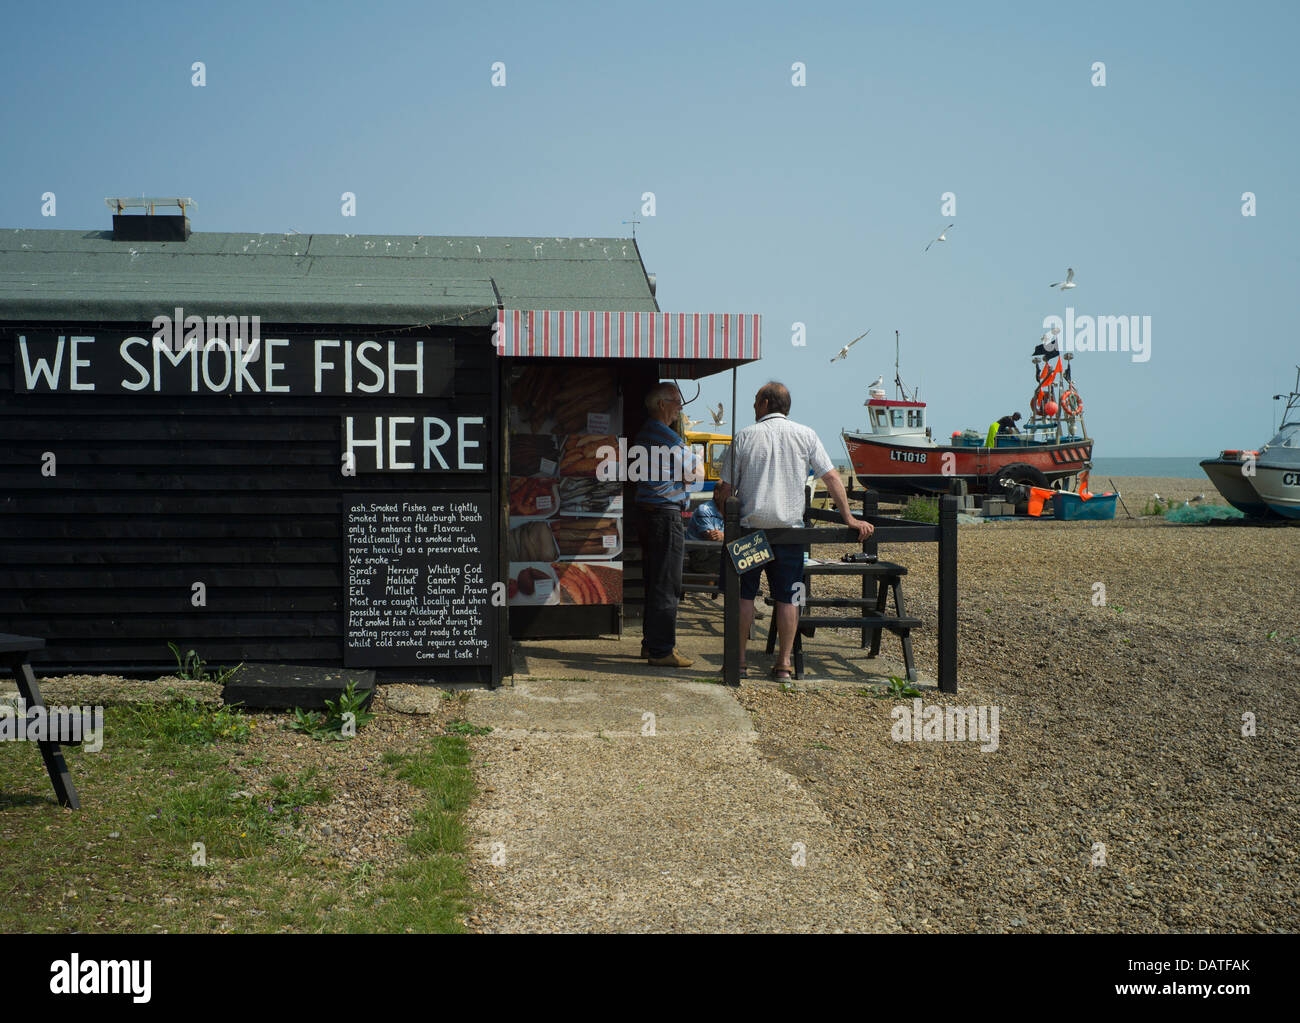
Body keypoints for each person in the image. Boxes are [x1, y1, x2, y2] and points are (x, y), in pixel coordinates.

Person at [714, 381, 872, 681]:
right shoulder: (806, 434)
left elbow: (724, 489)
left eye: (754, 400)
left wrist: (726, 518)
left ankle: (740, 662)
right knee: (788, 598)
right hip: (790, 532)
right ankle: (784, 664)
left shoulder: (745, 436)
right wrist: (849, 518)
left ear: (764, 403)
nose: (752, 405)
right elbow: (832, 477)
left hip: (750, 532)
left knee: (744, 597)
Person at [630, 382, 698, 667]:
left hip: (648, 514)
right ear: (661, 404)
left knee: (654, 580)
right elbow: (694, 474)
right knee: (667, 583)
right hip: (664, 514)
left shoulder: (647, 433)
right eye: (676, 401)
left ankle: (651, 643)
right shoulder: (667, 437)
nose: (680, 408)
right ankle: (661, 650)